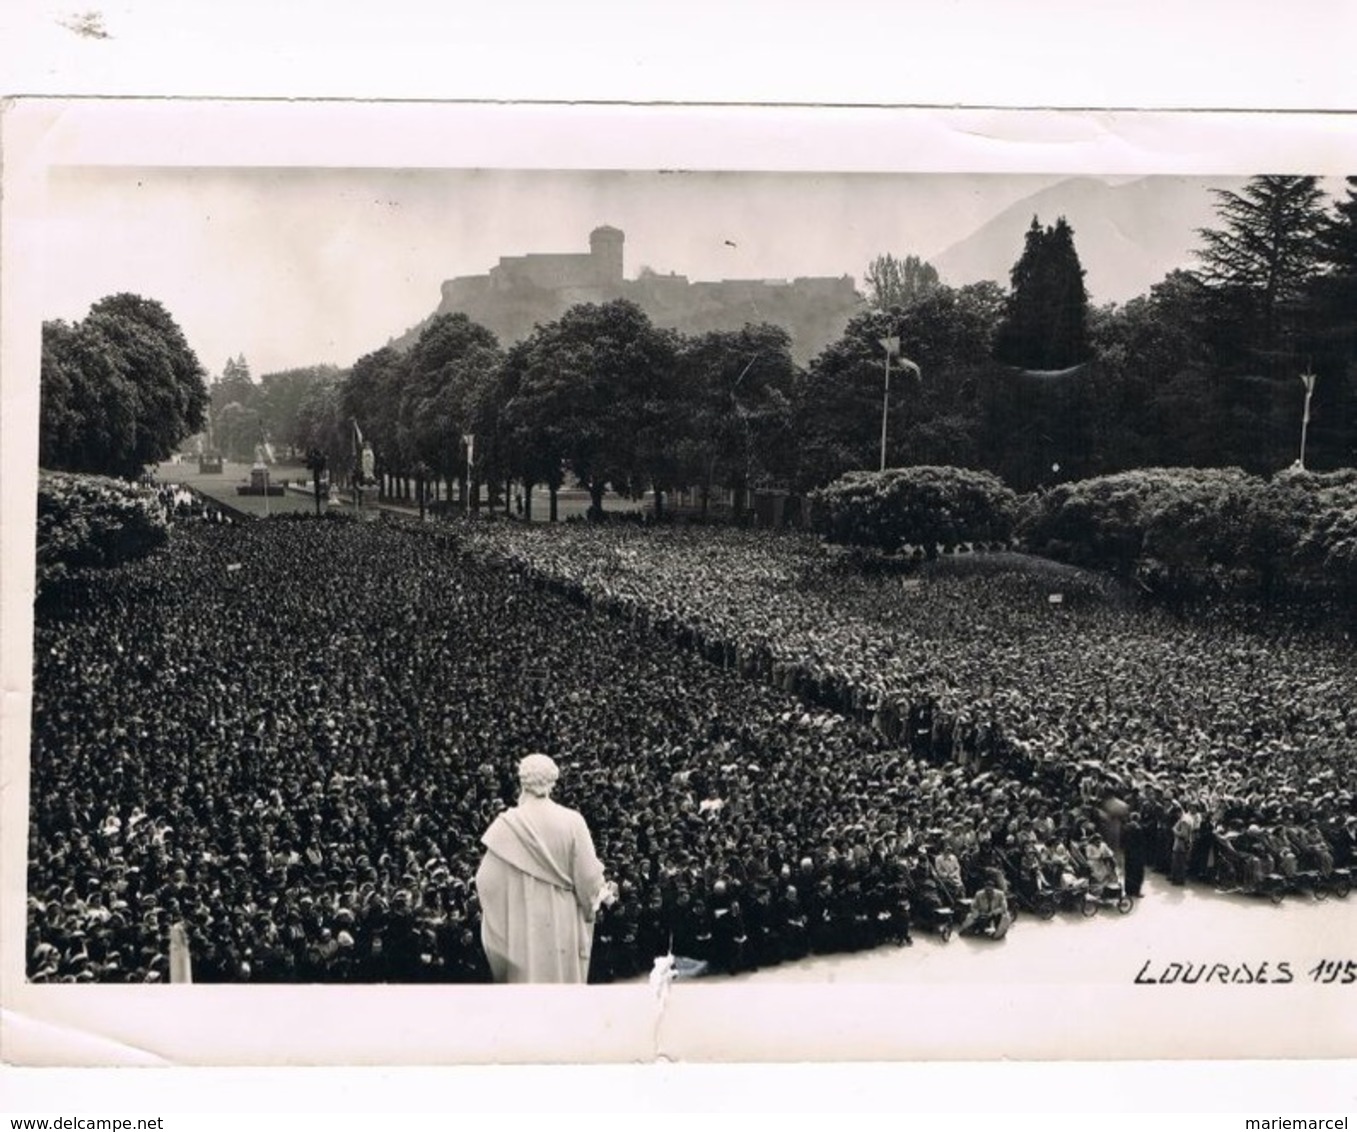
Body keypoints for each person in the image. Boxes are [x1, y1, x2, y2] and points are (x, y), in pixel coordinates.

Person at [475, 754, 615, 983]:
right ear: (552, 782)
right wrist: (596, 901)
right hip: (562, 918)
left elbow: (486, 881)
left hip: (521, 924)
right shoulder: (572, 821)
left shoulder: (506, 825)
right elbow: (589, 878)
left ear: (522, 782)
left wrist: (511, 903)